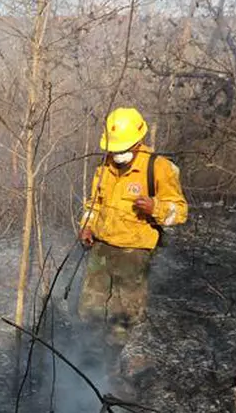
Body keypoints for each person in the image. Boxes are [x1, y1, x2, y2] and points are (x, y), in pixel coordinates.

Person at [77, 107, 187, 346]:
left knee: (123, 313)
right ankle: (87, 352)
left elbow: (180, 212)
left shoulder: (158, 168)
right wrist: (87, 225)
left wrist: (155, 208)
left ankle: (112, 356)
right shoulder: (105, 167)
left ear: (139, 140)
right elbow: (94, 203)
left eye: (123, 148)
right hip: (101, 247)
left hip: (134, 253)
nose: (118, 154)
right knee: (90, 308)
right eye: (115, 148)